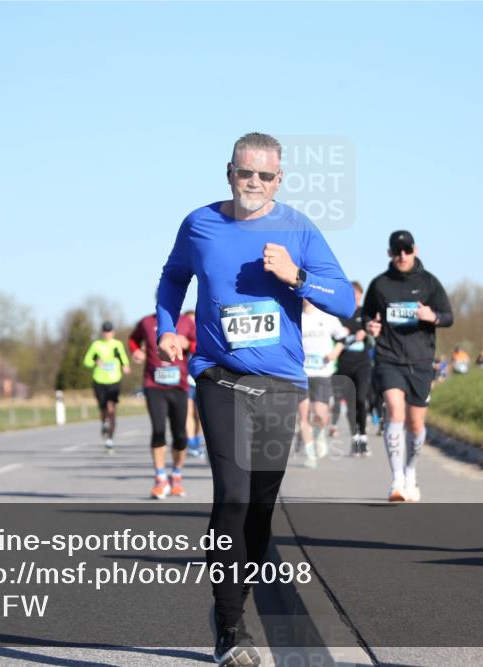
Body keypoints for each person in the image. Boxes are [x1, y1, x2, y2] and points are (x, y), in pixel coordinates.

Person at [155, 132, 353, 667]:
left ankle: (232, 606)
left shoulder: (298, 229)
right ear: (229, 171)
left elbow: (347, 301)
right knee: (234, 497)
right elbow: (173, 278)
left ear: (279, 179)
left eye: (266, 176)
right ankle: (230, 628)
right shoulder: (200, 224)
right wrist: (169, 329)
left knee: (260, 513)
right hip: (219, 377)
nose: (255, 184)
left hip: (281, 386)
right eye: (247, 173)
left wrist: (298, 276)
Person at [364, 230, 453, 502]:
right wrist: (370, 325)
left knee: (415, 424)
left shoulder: (429, 283)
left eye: (407, 250)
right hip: (389, 357)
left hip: (421, 361)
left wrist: (432, 315)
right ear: (390, 253)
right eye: (397, 251)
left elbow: (449, 317)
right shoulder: (380, 285)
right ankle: (397, 481)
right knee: (394, 411)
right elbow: (367, 315)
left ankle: (410, 471)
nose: (402, 256)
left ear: (414, 250)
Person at [129, 308, 196, 498]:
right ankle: (160, 479)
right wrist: (136, 352)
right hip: (153, 384)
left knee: (180, 434)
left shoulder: (186, 322)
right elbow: (133, 340)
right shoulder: (146, 322)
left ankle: (176, 476)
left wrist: (189, 344)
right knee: (158, 429)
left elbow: (201, 345)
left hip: (179, 385)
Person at [298, 298, 347, 468]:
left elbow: (342, 338)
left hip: (322, 372)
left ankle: (319, 434)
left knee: (320, 415)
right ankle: (311, 454)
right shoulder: (294, 315)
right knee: (303, 415)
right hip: (301, 373)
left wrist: (335, 353)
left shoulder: (327, 316)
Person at [334, 280, 374, 456]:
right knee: (350, 404)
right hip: (344, 364)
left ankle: (363, 436)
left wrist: (365, 332)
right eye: (353, 295)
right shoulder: (340, 314)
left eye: (358, 295)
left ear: (361, 296)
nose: (356, 298)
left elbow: (374, 332)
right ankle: (354, 438)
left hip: (362, 364)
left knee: (361, 398)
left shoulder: (366, 313)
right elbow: (334, 337)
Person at [82, 322, 130, 453]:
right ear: (102, 332)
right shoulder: (96, 345)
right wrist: (95, 362)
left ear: (113, 332)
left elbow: (123, 358)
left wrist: (125, 366)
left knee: (111, 408)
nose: (107, 334)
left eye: (109, 331)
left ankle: (110, 440)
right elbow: (86, 361)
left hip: (114, 380)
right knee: (103, 409)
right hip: (99, 380)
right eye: (105, 331)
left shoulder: (117, 344)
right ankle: (104, 423)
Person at [182, 310, 206, 458]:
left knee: (199, 414)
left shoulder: (202, 335)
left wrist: (189, 345)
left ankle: (197, 440)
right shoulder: (181, 337)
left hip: (202, 379)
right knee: (188, 411)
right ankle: (191, 443)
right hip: (186, 380)